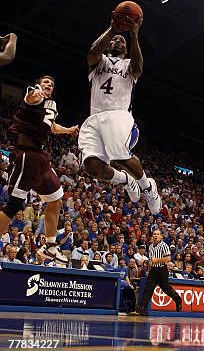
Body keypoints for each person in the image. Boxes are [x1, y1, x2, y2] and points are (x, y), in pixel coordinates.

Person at [78, 13, 160, 214]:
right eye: (114, 40)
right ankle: (126, 179)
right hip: (94, 117)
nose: (117, 41)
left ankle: (148, 188)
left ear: (126, 48)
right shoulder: (99, 61)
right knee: (92, 167)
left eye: (121, 41)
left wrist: (133, 35)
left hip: (119, 115)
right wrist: (113, 29)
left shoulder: (129, 66)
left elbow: (139, 68)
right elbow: (92, 52)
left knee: (121, 156)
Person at [0, 76, 78, 264]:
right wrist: (36, 93)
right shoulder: (34, 95)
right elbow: (30, 97)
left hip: (42, 158)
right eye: (46, 83)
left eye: (52, 84)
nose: (49, 85)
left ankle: (50, 246)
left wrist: (67, 130)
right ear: (39, 85)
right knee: (14, 205)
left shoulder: (52, 105)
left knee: (56, 200)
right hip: (26, 154)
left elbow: (51, 126)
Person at [134, 229, 182, 316]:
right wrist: (149, 270)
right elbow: (151, 260)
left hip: (162, 270)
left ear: (161, 237)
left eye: (158, 234)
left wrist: (157, 260)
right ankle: (142, 309)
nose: (156, 236)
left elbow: (168, 258)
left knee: (166, 289)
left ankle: (178, 299)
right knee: (148, 289)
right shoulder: (151, 246)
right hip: (153, 270)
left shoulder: (164, 245)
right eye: (154, 234)